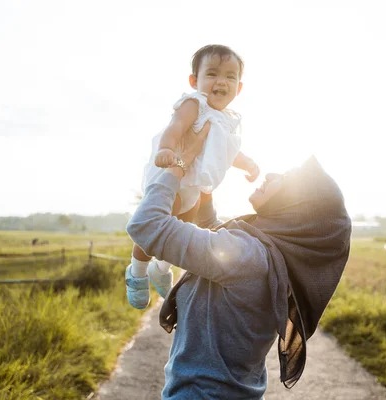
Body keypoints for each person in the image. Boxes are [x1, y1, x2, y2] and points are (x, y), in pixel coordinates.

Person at [126, 121, 353, 398]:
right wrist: (205, 176)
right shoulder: (268, 256)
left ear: (298, 207)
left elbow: (146, 226)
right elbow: (212, 230)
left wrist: (181, 162)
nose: (271, 174)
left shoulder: (249, 256)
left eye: (287, 178)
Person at [127, 44, 260, 309]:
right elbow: (175, 127)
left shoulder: (228, 120)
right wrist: (166, 148)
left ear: (239, 87)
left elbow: (230, 151)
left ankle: (161, 269)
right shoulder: (194, 104)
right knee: (161, 221)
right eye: (211, 73)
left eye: (230, 76)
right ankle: (137, 272)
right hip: (171, 174)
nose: (221, 81)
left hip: (194, 185)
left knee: (185, 227)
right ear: (194, 81)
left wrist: (248, 164)